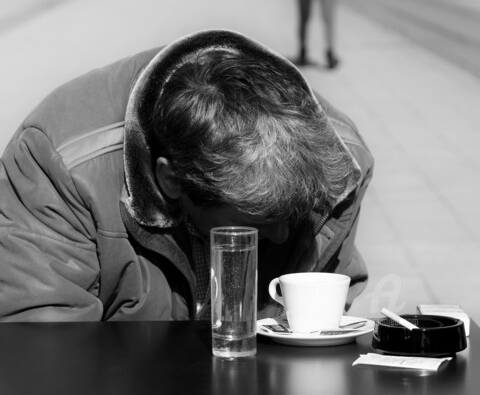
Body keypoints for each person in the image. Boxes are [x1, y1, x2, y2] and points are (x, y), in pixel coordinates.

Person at [0, 29, 373, 322]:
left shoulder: (340, 165)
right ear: (171, 180)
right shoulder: (60, 163)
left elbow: (324, 310)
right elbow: (46, 352)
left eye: (291, 214)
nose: (282, 235)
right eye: (257, 223)